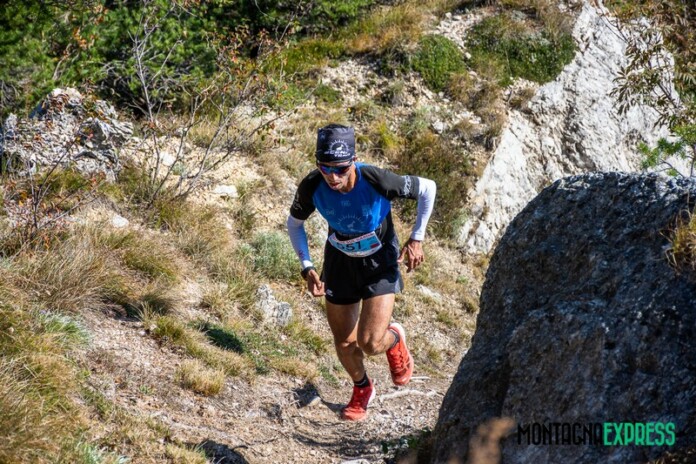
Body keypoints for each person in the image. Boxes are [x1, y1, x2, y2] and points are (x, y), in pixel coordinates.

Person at [286, 124, 436, 421]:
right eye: (325, 168)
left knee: (370, 342)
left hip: (379, 262)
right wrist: (307, 267)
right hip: (340, 262)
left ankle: (394, 339)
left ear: (353, 160)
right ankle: (362, 388)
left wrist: (417, 237)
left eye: (340, 169)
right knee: (344, 342)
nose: (332, 177)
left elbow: (428, 188)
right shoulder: (312, 185)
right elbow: (294, 224)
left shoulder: (375, 178)